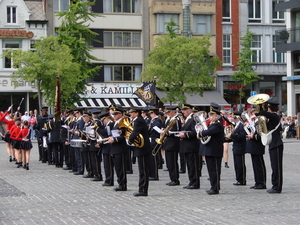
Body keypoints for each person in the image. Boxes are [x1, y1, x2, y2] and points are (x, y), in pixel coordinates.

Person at [255, 101, 283, 194]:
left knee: (277, 167)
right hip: (273, 144)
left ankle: (277, 187)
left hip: (277, 144)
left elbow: (264, 113)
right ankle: (275, 185)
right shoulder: (272, 118)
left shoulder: (275, 116)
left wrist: (259, 112)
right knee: (274, 166)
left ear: (270, 108)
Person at [198, 106, 224, 195]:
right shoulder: (211, 124)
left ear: (217, 116)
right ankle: (213, 186)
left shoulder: (217, 125)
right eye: (209, 114)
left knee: (214, 170)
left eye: (212, 115)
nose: (209, 116)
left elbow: (208, 132)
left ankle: (215, 188)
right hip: (210, 150)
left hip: (215, 150)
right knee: (211, 170)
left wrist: (200, 133)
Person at [128, 106, 151, 196]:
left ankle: (143, 190)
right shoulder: (138, 120)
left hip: (143, 148)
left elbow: (135, 132)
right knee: (142, 170)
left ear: (136, 113)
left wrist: (130, 140)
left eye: (132, 112)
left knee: (144, 170)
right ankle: (141, 188)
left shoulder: (138, 121)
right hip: (141, 148)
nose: (130, 114)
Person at [177, 103, 200, 190]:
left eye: (185, 110)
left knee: (193, 165)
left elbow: (195, 132)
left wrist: (185, 134)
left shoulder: (193, 119)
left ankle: (195, 183)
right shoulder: (187, 119)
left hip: (192, 146)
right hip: (187, 146)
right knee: (190, 166)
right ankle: (191, 181)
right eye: (182, 110)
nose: (183, 112)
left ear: (190, 110)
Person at [245, 107, 267, 190]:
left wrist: (253, 136)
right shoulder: (253, 122)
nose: (252, 114)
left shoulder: (260, 122)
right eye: (252, 112)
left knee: (259, 165)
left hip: (258, 145)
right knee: (255, 165)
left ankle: (262, 182)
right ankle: (257, 182)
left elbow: (261, 134)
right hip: (253, 145)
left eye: (254, 112)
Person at [107, 107, 128, 191]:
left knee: (121, 168)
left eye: (116, 114)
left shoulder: (123, 122)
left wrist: (114, 139)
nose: (114, 115)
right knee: (117, 168)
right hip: (115, 148)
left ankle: (122, 185)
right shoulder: (116, 122)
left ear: (121, 114)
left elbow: (124, 135)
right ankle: (120, 183)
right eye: (113, 114)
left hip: (121, 147)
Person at [163, 106, 181, 186]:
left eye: (169, 112)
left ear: (173, 112)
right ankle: (172, 178)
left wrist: (166, 132)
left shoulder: (176, 120)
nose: (167, 114)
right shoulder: (170, 119)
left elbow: (176, 131)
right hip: (168, 142)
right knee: (169, 162)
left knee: (173, 162)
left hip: (173, 143)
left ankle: (175, 179)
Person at [229, 111, 247, 186]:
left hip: (240, 146)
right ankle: (238, 179)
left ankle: (242, 179)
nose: (233, 119)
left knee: (240, 164)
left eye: (234, 117)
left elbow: (242, 136)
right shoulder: (237, 125)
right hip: (236, 146)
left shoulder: (241, 125)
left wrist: (232, 135)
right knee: (236, 164)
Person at [148, 108, 163, 180]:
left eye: (151, 113)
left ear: (154, 113)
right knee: (150, 158)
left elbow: (158, 129)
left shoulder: (158, 120)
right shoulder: (152, 120)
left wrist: (152, 125)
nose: (150, 115)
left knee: (154, 158)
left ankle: (154, 175)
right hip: (150, 139)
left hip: (155, 140)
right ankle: (151, 174)